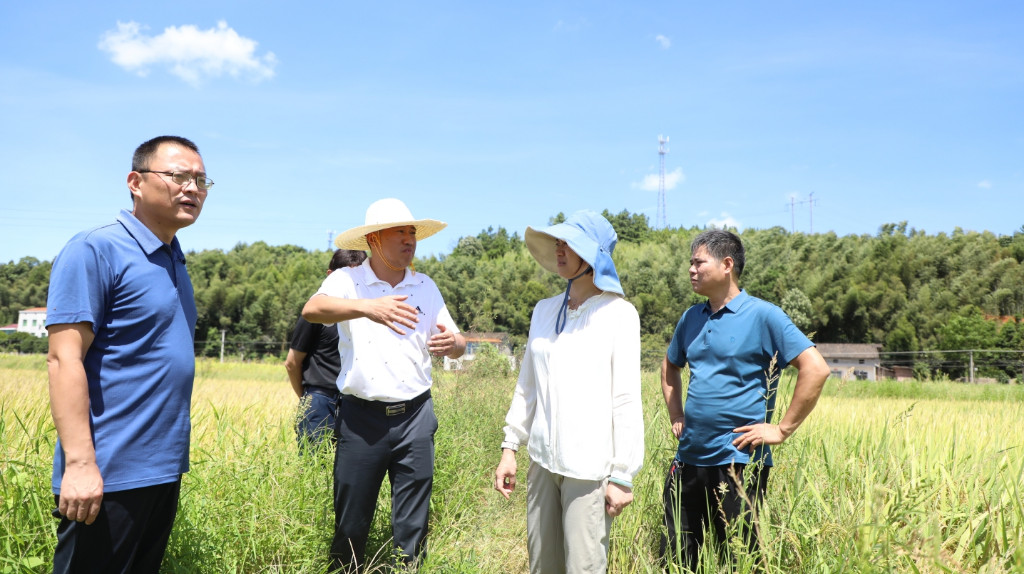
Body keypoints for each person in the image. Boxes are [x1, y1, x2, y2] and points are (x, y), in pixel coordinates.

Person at [45, 135, 212, 573]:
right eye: (178, 176)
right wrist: (80, 465)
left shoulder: (173, 258)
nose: (192, 188)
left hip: (161, 468)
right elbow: (64, 359)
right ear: (135, 182)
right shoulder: (95, 249)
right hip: (107, 472)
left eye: (201, 179)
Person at [301, 198, 467, 573]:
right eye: (400, 232)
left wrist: (453, 345)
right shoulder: (348, 280)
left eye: (413, 233)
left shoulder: (424, 285)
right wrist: (368, 308)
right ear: (374, 239)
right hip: (361, 420)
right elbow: (312, 309)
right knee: (351, 523)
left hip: (416, 417)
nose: (410, 240)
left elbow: (457, 341)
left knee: (412, 525)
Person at [659, 229, 830, 572]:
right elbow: (669, 367)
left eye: (698, 262)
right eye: (689, 263)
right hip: (689, 459)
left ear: (726, 264)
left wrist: (781, 430)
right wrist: (676, 413)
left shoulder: (765, 316)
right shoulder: (691, 317)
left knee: (738, 560)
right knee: (677, 559)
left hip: (739, 463)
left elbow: (816, 368)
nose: (691, 270)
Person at [494, 210, 645, 574]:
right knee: (542, 566)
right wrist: (509, 447)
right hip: (542, 462)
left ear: (592, 255)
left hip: (589, 468)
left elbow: (625, 398)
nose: (560, 250)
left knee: (584, 567)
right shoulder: (544, 311)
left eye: (569, 244)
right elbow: (527, 385)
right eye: (557, 243)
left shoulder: (619, 314)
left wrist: (622, 473)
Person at [285, 248, 368, 451]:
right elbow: (292, 362)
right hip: (320, 401)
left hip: (359, 403)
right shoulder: (315, 314)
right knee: (315, 469)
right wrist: (308, 399)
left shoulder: (369, 315)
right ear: (330, 276)